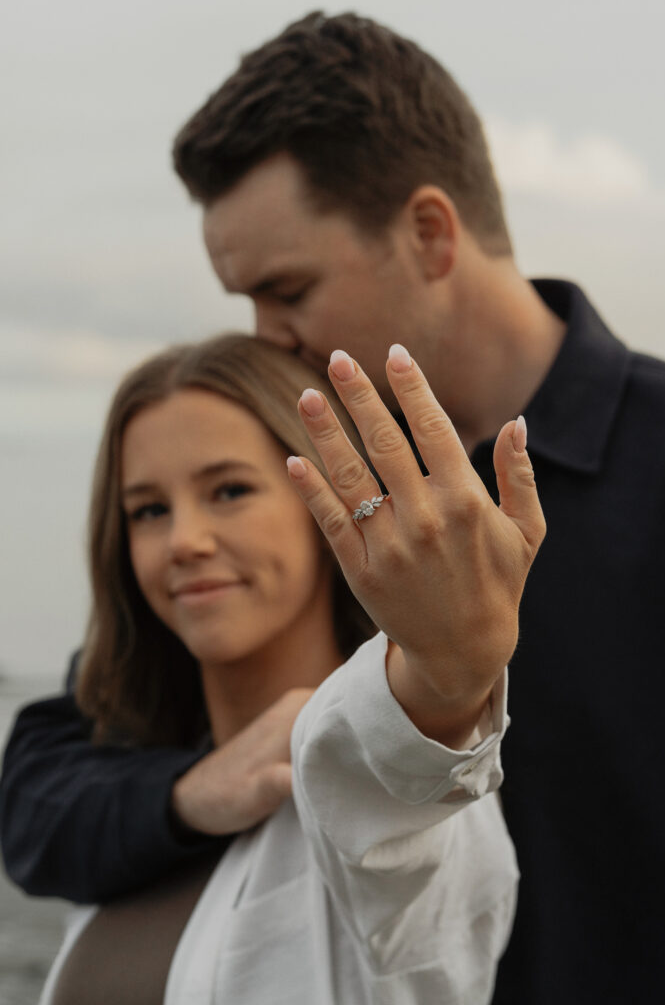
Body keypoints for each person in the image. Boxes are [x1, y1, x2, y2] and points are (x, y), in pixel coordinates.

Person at [1, 9, 665, 1005]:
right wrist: (192, 791)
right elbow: (52, 775)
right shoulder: (299, 485)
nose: (265, 338)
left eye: (286, 290)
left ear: (428, 232)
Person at [36, 331, 542, 1003]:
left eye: (229, 491)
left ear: (327, 507)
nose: (184, 540)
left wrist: (449, 671)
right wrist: (185, 797)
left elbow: (397, 788)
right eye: (149, 510)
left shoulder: (390, 798)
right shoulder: (140, 774)